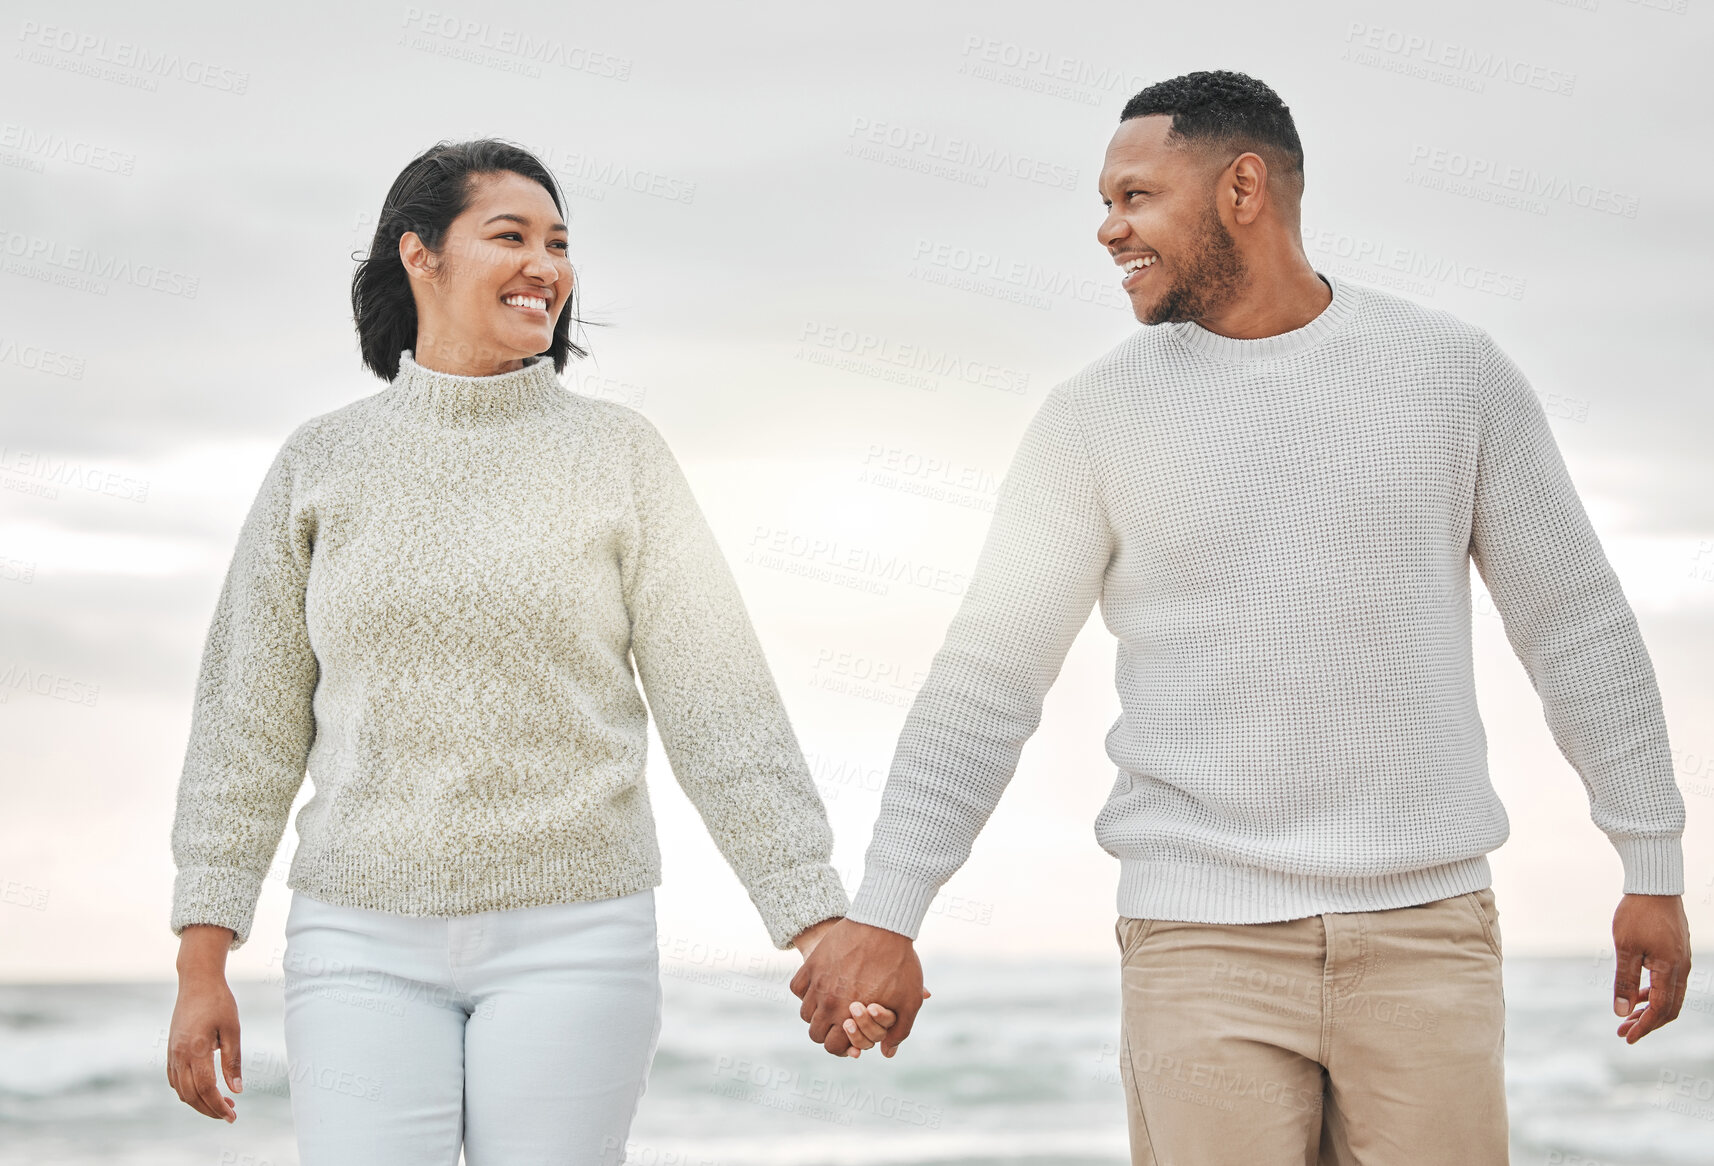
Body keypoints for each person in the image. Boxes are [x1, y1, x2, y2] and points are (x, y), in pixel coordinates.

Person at [792, 70, 1690, 1163]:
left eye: (1134, 196)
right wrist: (888, 909)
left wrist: (1650, 858)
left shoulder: (1452, 377)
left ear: (1242, 188)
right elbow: (988, 678)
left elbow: (1576, 625)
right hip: (1197, 943)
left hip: (1426, 935)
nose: (1106, 227)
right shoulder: (1091, 421)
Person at [163, 138, 883, 1165]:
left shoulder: (619, 455)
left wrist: (816, 921)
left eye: (559, 242)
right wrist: (203, 958)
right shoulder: (320, 463)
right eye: (510, 236)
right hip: (358, 935)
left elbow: (719, 706)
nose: (545, 263)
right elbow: (247, 721)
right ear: (420, 255)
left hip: (576, 934)